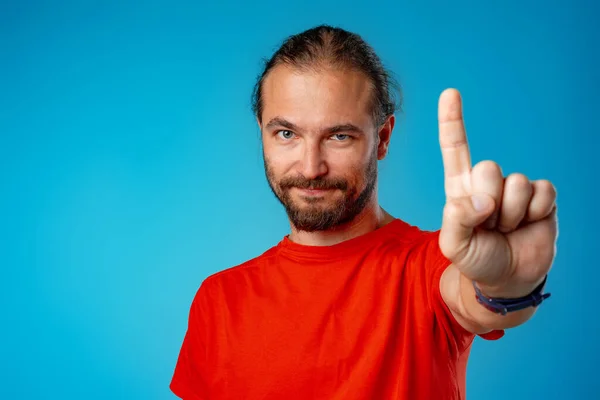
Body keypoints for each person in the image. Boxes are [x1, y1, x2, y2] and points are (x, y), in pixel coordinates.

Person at [170, 25, 558, 399]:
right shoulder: (218, 300)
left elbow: (475, 299)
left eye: (339, 136)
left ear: (382, 138)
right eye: (286, 134)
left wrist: (506, 287)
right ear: (263, 133)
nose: (310, 167)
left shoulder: (431, 266)